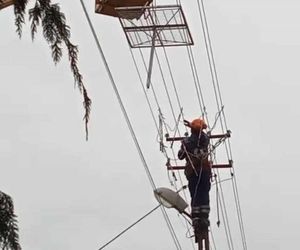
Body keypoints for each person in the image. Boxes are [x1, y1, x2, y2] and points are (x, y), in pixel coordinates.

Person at [178, 118, 211, 231]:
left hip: (193, 172)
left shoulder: (187, 142)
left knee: (196, 194)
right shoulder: (205, 138)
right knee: (203, 193)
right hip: (204, 171)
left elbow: (180, 156)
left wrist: (184, 145)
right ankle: (203, 218)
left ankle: (197, 218)